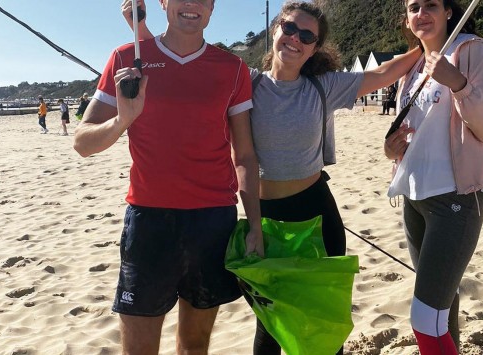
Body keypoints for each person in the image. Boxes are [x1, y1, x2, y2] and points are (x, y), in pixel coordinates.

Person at [121, 1, 422, 353]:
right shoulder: (247, 81)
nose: (296, 39)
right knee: (270, 326)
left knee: (320, 327)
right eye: (290, 28)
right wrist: (141, 32)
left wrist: (426, 46)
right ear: (276, 30)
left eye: (307, 36)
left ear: (313, 49)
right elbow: (188, 68)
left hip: (315, 215)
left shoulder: (325, 87)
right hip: (262, 216)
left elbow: (383, 73)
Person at [74, 0, 264, 354]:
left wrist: (254, 225)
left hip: (212, 221)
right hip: (149, 221)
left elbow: (246, 156)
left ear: (211, 8)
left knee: (194, 345)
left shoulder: (233, 68)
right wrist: (123, 119)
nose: (191, 4)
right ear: (163, 3)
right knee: (139, 348)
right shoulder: (126, 57)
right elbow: (82, 142)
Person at [384, 0, 483, 354]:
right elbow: (419, 135)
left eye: (431, 5)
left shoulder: (473, 52)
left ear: (449, 11)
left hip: (456, 197)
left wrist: (457, 83)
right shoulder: (413, 66)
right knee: (442, 303)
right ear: (406, 18)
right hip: (414, 197)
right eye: (413, 7)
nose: (421, 13)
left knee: (424, 318)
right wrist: (391, 149)